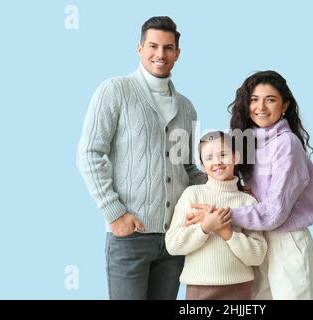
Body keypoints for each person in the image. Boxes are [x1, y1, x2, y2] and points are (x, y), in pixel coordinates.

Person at [77, 16, 207, 300]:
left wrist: (226, 186)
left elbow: (186, 167)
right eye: (153, 46)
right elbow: (90, 154)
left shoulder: (186, 107)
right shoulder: (115, 90)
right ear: (139, 49)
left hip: (175, 237)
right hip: (130, 236)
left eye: (168, 48)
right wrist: (115, 213)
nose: (160, 54)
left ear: (177, 53)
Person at [187, 71, 313, 299]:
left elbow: (274, 213)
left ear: (284, 105)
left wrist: (220, 216)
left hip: (286, 241)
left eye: (270, 99)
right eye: (254, 99)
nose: (261, 106)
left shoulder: (287, 144)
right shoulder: (247, 143)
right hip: (256, 241)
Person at [165, 131, 267, 300]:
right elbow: (173, 245)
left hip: (239, 289)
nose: (217, 162)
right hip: (199, 288)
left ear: (236, 157)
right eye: (209, 157)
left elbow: (257, 255)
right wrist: (205, 227)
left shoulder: (248, 202)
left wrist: (225, 232)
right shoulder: (192, 195)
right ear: (202, 165)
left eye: (223, 154)